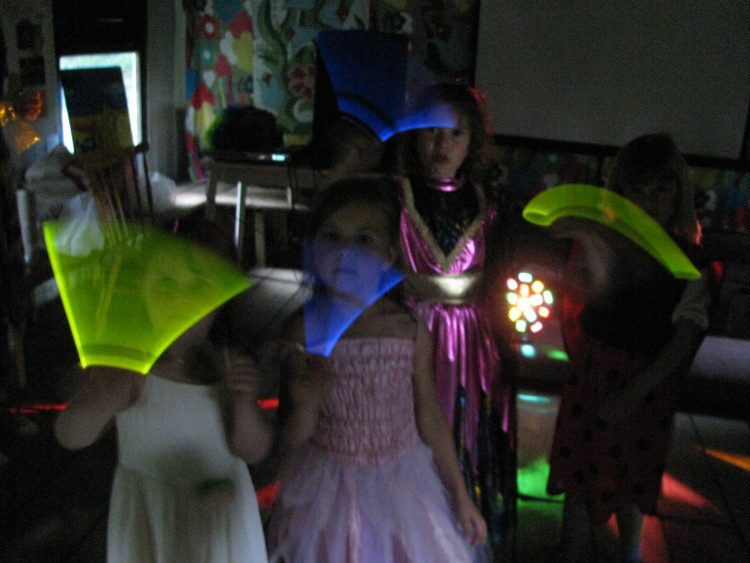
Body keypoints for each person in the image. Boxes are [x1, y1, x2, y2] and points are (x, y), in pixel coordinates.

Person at [266, 176, 487, 563]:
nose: (346, 251)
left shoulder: (408, 329)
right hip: (327, 489)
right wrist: (306, 403)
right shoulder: (303, 331)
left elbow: (431, 416)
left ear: (390, 252)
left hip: (405, 482)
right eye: (331, 237)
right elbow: (290, 436)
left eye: (364, 238)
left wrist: (459, 494)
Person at [54, 217, 272, 563]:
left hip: (219, 521)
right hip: (152, 518)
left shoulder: (225, 366)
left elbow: (253, 450)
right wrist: (100, 399)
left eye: (200, 287)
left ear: (220, 304)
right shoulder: (130, 371)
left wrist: (244, 403)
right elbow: (70, 435)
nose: (181, 300)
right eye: (167, 283)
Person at [546, 133, 712, 563]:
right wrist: (591, 242)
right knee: (579, 463)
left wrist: (636, 391)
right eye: (638, 189)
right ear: (620, 193)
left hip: (646, 384)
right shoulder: (608, 244)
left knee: (630, 477)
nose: (649, 201)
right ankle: (570, 547)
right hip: (593, 372)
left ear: (679, 193)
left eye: (661, 188)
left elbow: (683, 340)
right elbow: (589, 296)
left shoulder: (689, 262)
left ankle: (630, 554)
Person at [385, 81, 516, 556]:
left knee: (464, 424)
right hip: (412, 333)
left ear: (473, 141)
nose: (442, 144)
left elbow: (496, 274)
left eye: (455, 133)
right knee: (412, 422)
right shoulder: (395, 196)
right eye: (431, 131)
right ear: (413, 136)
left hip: (470, 342)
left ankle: (458, 523)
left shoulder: (486, 202)